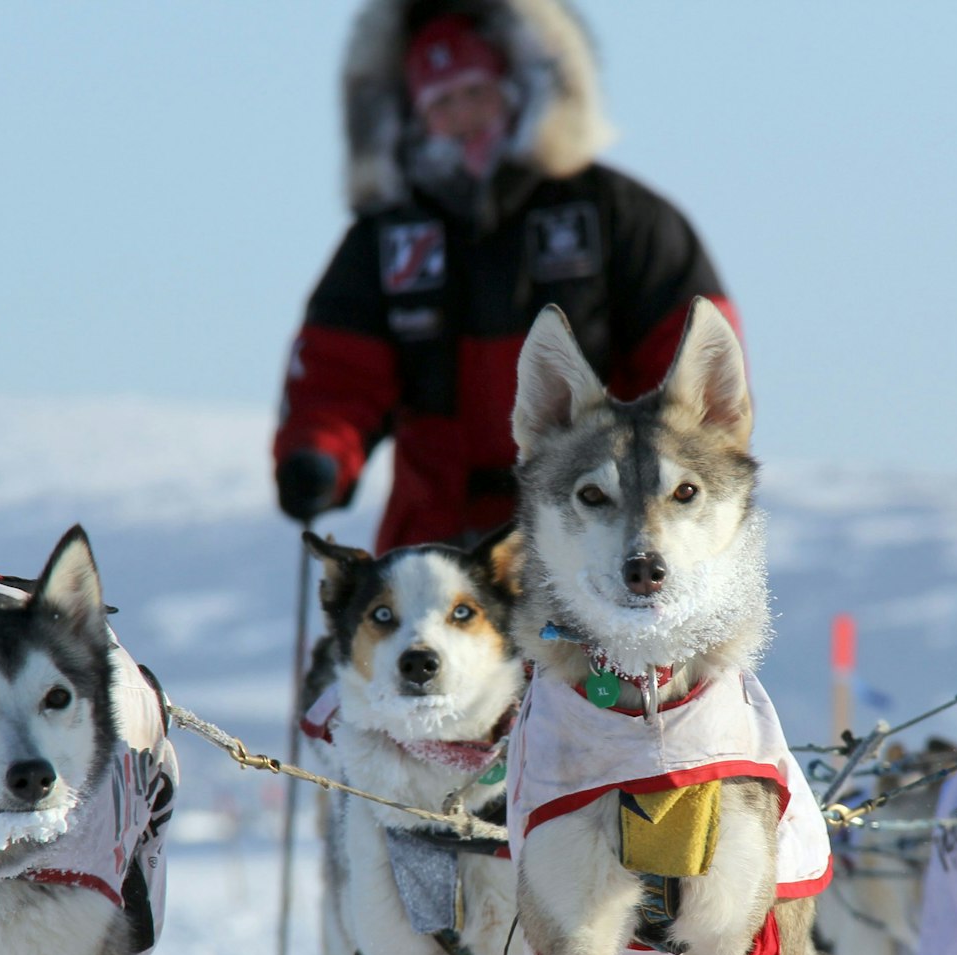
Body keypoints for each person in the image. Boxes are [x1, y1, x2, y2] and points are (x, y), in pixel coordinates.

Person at [273, 0, 742, 551]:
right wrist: (317, 455)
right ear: (413, 117)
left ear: (517, 89)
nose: (464, 115)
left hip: (597, 536)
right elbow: (339, 375)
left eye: (476, 92)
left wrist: (689, 464)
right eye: (443, 103)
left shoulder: (615, 214)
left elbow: (690, 356)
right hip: (439, 539)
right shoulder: (383, 241)